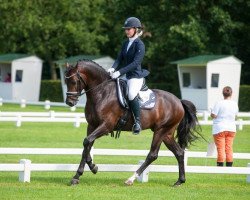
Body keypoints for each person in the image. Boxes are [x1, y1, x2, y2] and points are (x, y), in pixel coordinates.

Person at [107, 17, 149, 135]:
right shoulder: (126, 43)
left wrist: (119, 72)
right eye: (125, 29)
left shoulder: (140, 45)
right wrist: (113, 68)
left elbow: (135, 63)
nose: (126, 31)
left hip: (136, 77)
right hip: (126, 76)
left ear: (135, 29)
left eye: (128, 29)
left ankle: (137, 122)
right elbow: (119, 58)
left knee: (131, 94)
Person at [210, 86, 239, 167]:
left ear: (223, 94)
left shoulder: (219, 103)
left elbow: (214, 115)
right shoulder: (234, 104)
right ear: (231, 94)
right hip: (231, 129)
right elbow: (235, 116)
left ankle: (220, 165)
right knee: (229, 148)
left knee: (221, 148)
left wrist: (211, 112)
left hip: (220, 128)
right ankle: (229, 165)